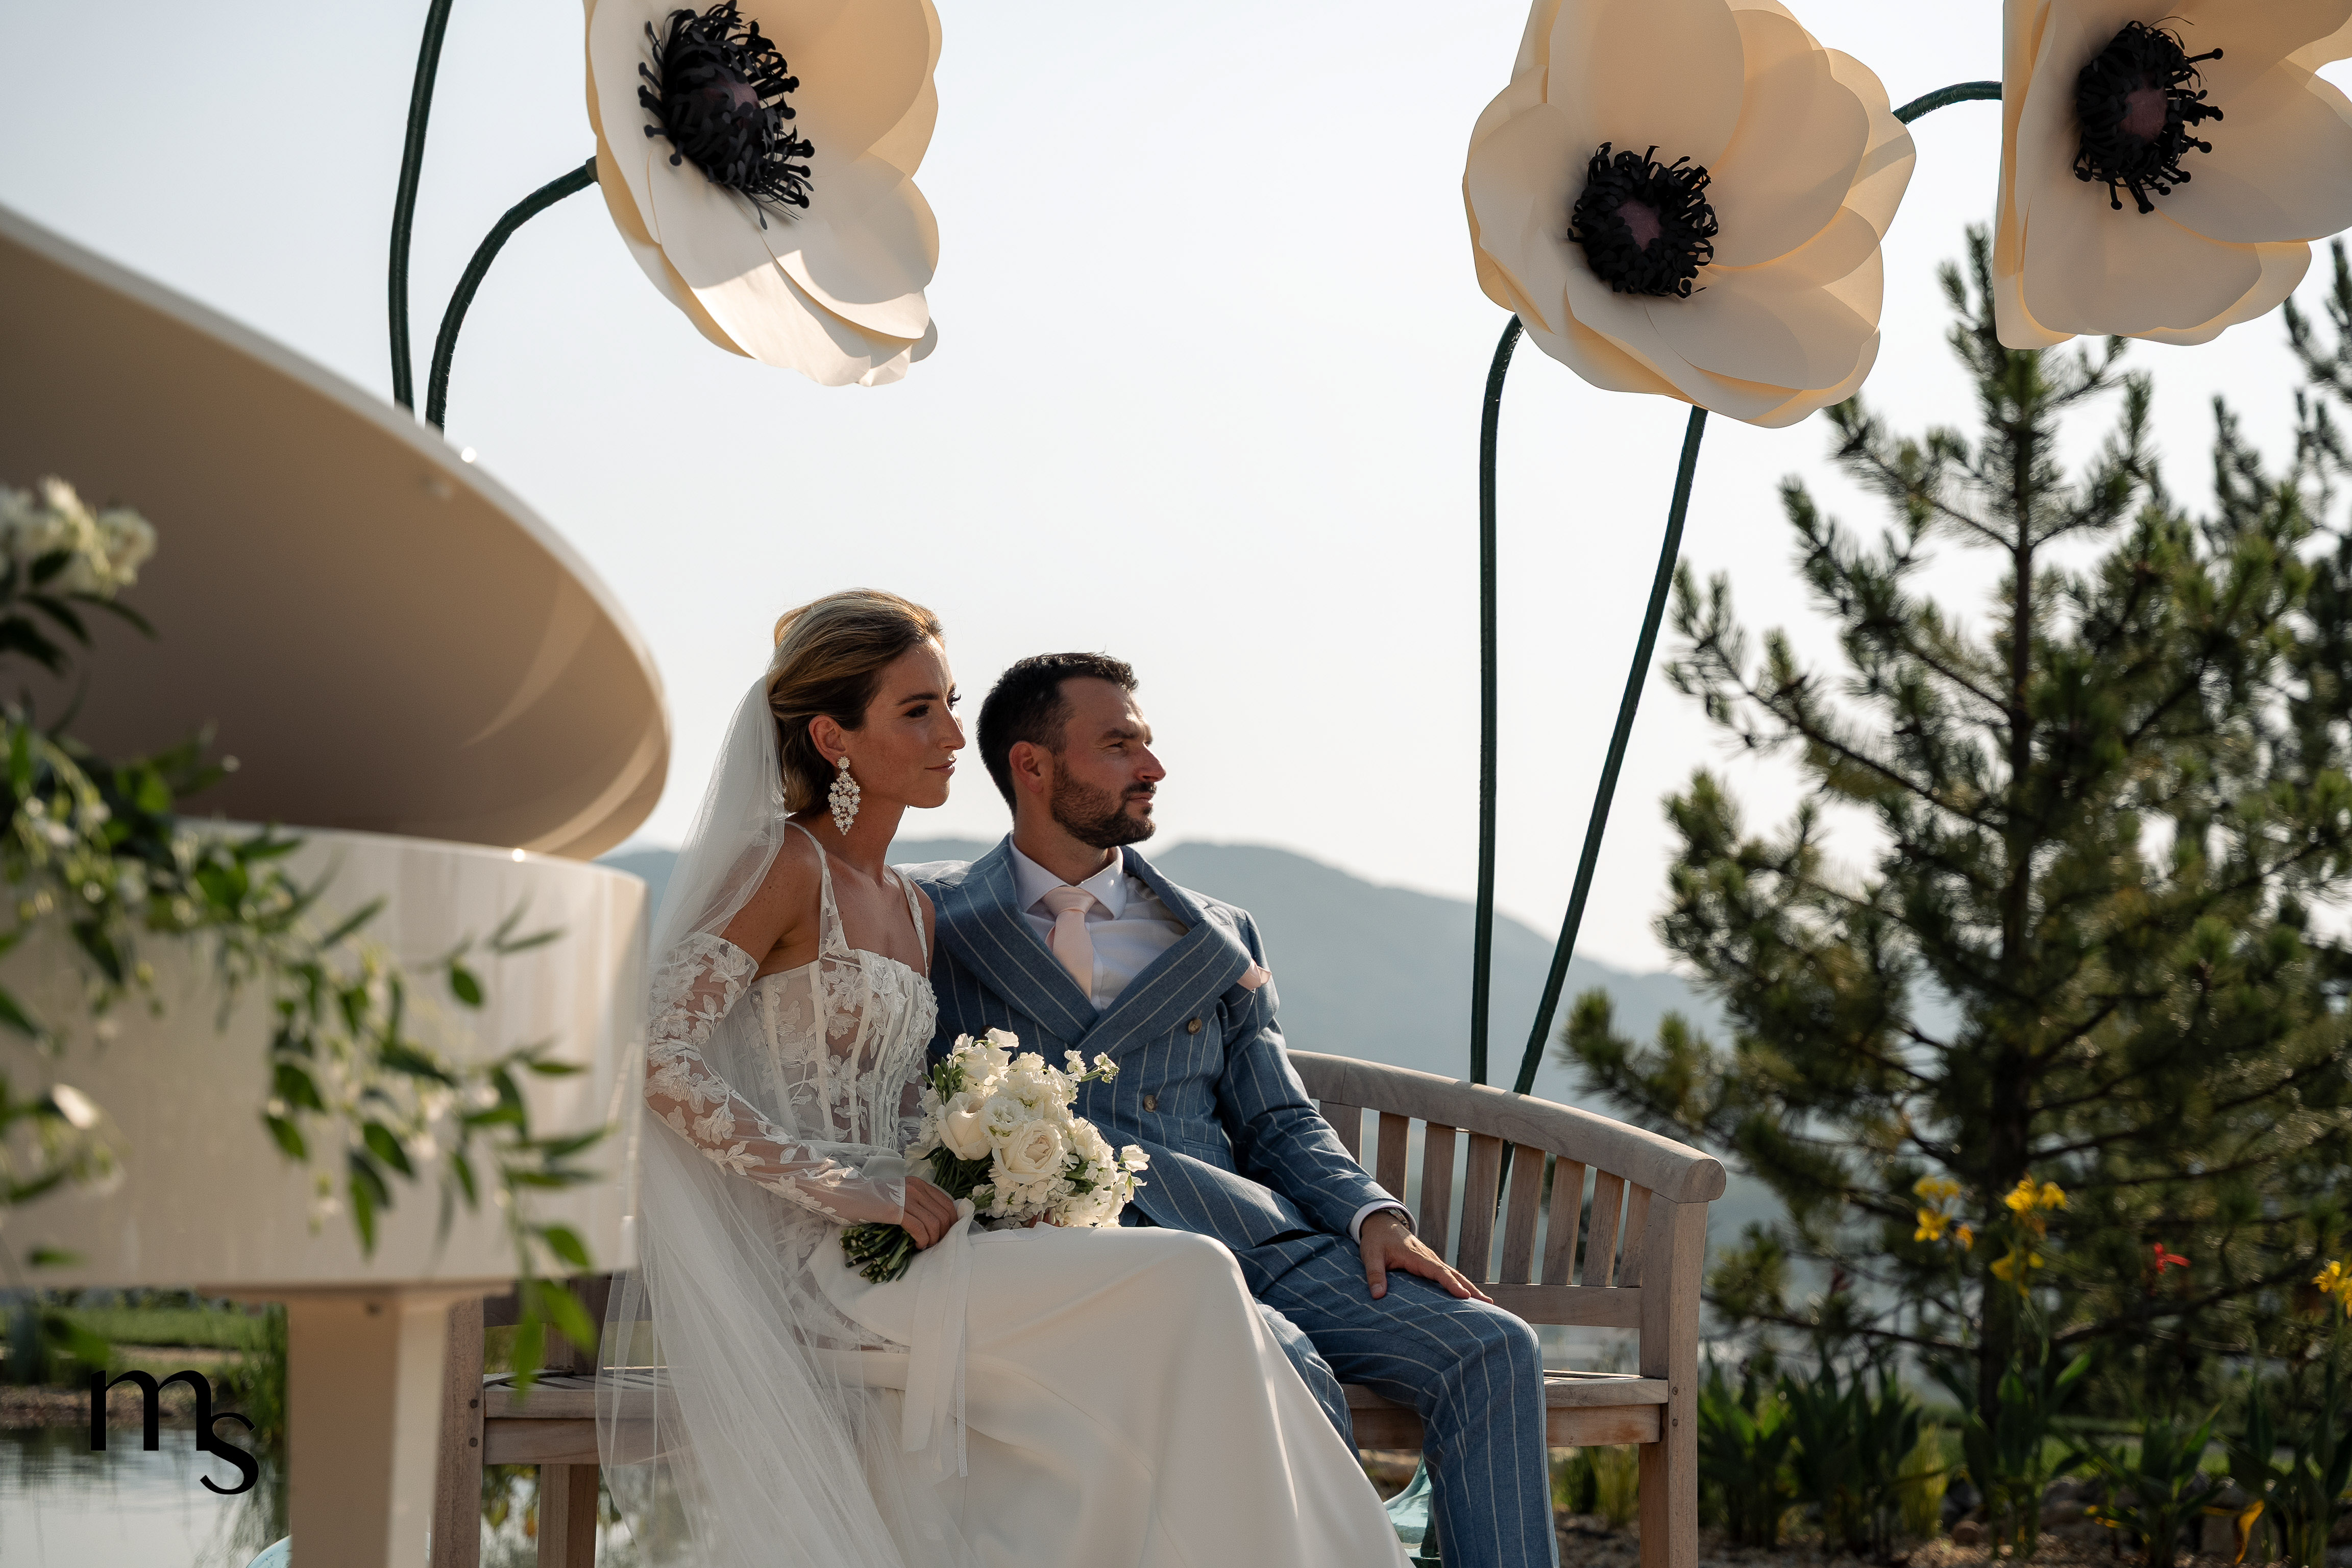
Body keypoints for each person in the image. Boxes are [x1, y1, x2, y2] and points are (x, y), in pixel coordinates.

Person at [596, 591, 1406, 1568]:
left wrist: (998, 1186)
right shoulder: (781, 867)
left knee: (1185, 1322)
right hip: (819, 1262)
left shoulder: (911, 905)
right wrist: (838, 1183)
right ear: (832, 735)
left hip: (925, 1239)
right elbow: (658, 1056)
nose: (950, 734)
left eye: (949, 701)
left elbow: (904, 1100)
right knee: (1195, 1276)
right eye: (916, 711)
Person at [907, 653, 1558, 1568]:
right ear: (1033, 766)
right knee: (1285, 1370)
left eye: (1149, 742)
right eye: (1120, 743)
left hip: (1256, 1239)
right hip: (1094, 1264)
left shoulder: (1219, 932)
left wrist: (1368, 1211)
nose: (1153, 767)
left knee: (1492, 1348)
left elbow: (1276, 1116)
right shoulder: (933, 918)